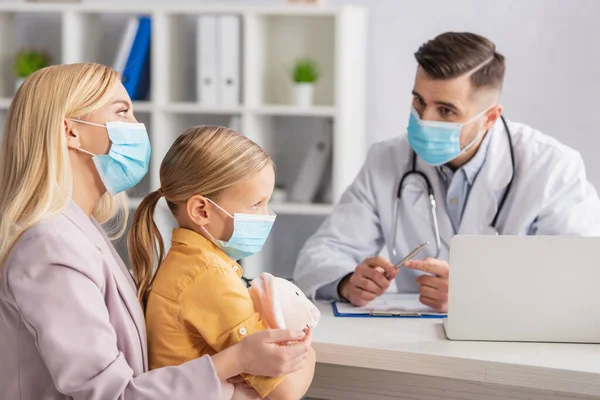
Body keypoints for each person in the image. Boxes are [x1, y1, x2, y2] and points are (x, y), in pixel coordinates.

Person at [0, 63, 311, 400]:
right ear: (71, 132)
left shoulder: (78, 230)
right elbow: (111, 395)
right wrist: (236, 359)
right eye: (122, 112)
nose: (137, 127)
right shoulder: (51, 248)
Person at [293, 32, 600, 311]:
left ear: (490, 117)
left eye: (446, 110)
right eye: (419, 100)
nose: (424, 119)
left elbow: (579, 280)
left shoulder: (552, 168)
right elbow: (323, 252)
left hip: (516, 344)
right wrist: (348, 282)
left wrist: (478, 293)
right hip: (413, 343)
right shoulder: (387, 159)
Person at [129, 125, 316, 400]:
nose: (267, 215)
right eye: (256, 204)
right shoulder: (209, 276)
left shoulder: (187, 263)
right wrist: (309, 354)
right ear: (201, 210)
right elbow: (284, 390)